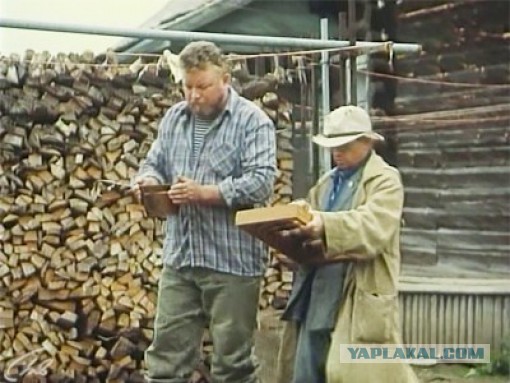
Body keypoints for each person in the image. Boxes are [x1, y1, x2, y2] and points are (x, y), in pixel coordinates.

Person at [133, 41, 277, 383]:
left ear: (225, 79)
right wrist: (147, 182)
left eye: (203, 87)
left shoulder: (252, 122)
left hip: (231, 260)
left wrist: (205, 193)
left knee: (233, 365)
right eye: (187, 86)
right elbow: (153, 163)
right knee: (165, 362)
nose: (194, 95)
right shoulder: (174, 119)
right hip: (181, 258)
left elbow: (261, 182)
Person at [276, 105, 419, 383]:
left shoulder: (385, 181)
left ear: (367, 142)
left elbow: (372, 227)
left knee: (354, 373)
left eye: (344, 146)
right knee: (307, 370)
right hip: (317, 291)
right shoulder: (327, 183)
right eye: (332, 147)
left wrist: (324, 224)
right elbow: (312, 223)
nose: (336, 153)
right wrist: (294, 236)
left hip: (357, 292)